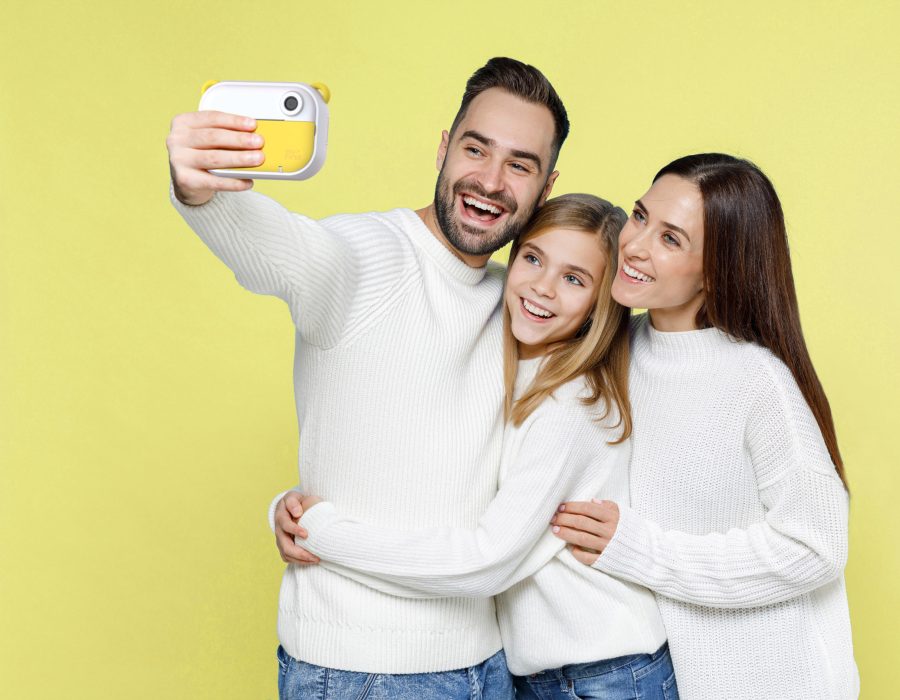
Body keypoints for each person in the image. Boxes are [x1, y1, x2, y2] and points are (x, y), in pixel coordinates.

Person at [166, 57, 568, 699]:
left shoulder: (524, 302)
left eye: (519, 164)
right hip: (361, 673)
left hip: (490, 666)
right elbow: (281, 249)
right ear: (443, 149)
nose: (490, 181)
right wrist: (198, 189)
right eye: (475, 149)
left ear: (546, 186)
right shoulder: (361, 256)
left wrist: (302, 519)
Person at [274, 194, 679, 699]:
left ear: (602, 303)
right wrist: (288, 506)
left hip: (604, 673)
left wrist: (322, 532)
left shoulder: (571, 404)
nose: (542, 288)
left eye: (574, 279)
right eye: (532, 258)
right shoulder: (514, 359)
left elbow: (486, 560)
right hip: (538, 669)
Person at [549, 154, 859, 699]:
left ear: (716, 271)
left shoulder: (755, 378)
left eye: (671, 239)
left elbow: (817, 545)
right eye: (641, 217)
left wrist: (644, 551)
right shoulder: (614, 348)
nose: (637, 245)